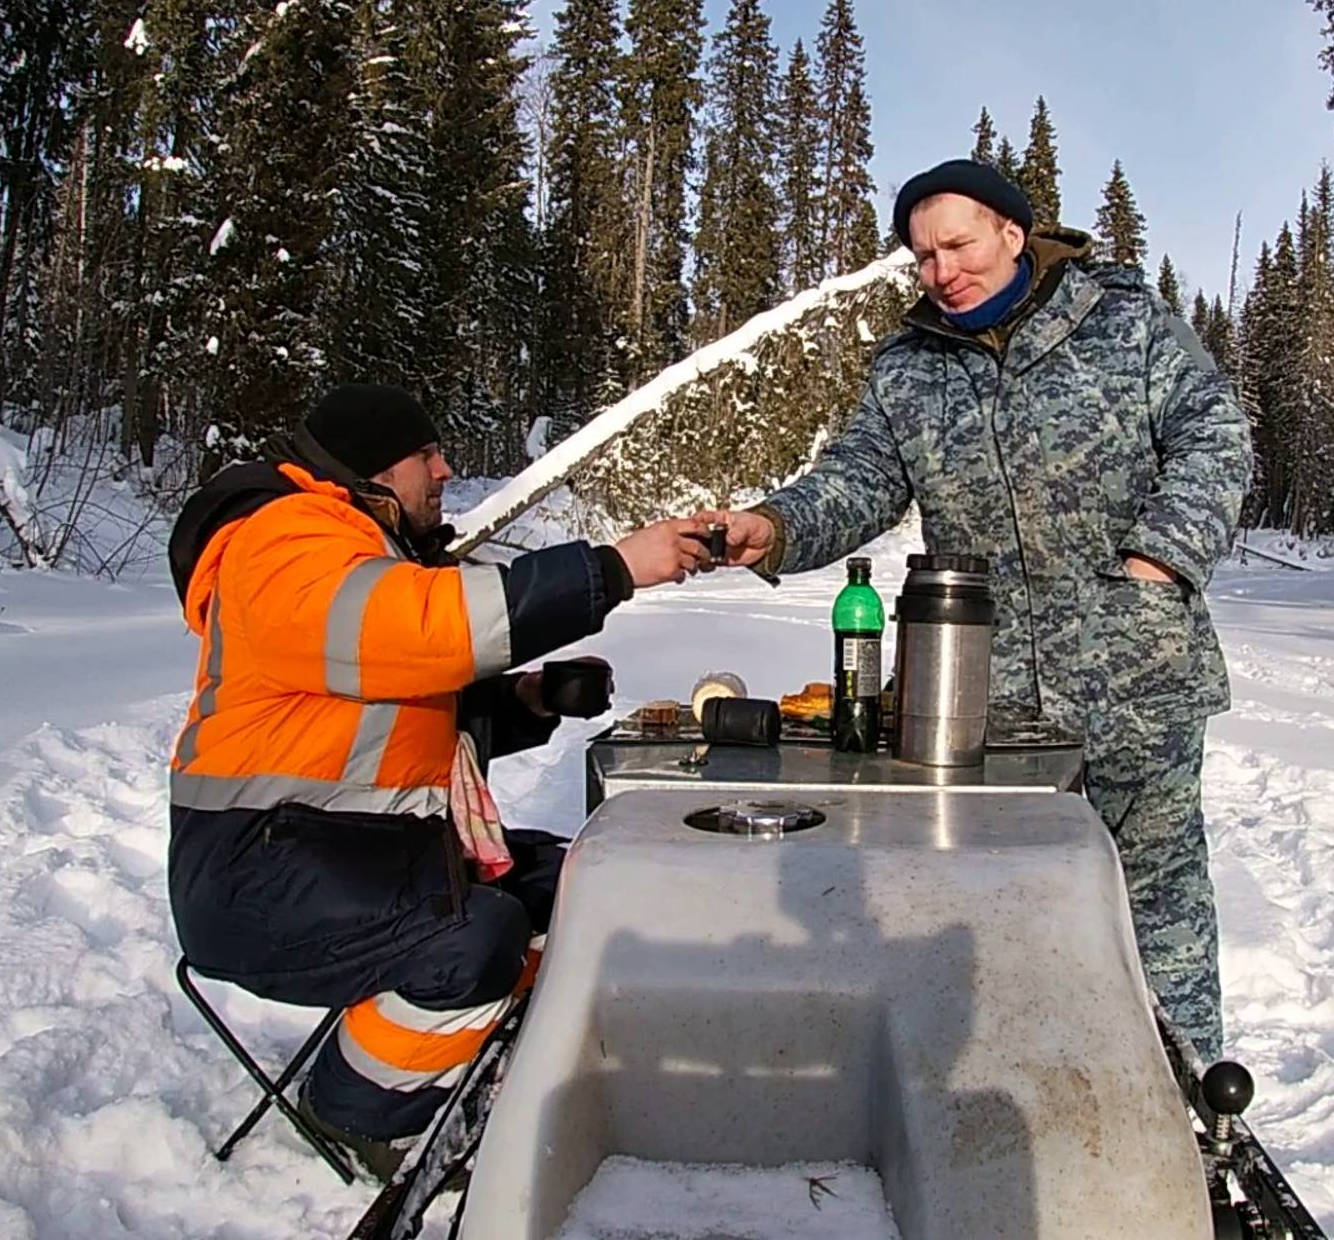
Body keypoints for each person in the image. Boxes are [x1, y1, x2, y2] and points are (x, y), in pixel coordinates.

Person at [718, 159, 1252, 1072]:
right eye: (923, 256)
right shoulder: (909, 367)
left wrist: (1158, 563)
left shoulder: (1122, 320)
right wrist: (773, 527)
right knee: (996, 908)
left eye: (958, 245)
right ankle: (1014, 1095)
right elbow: (858, 481)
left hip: (1136, 681)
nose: (942, 271)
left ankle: (1187, 1106)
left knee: (1155, 913)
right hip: (975, 702)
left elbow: (1217, 435)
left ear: (1012, 231)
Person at [165, 383, 721, 1179]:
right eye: (425, 455)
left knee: (579, 881)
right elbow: (420, 628)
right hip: (255, 874)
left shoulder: (359, 546)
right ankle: (355, 1108)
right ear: (372, 470)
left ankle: (484, 1056)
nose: (444, 470)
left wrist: (531, 700)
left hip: (342, 851)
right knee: (475, 936)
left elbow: (401, 710)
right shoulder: (283, 540)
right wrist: (613, 568)